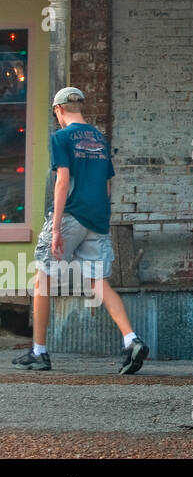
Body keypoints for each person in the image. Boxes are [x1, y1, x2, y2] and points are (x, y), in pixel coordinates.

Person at [13, 87, 148, 375]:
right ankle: (131, 339)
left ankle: (39, 352)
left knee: (42, 279)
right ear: (80, 108)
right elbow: (108, 184)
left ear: (59, 110)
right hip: (97, 217)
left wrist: (58, 225)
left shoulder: (60, 138)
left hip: (71, 213)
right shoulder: (100, 139)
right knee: (98, 282)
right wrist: (99, 215)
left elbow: (62, 180)